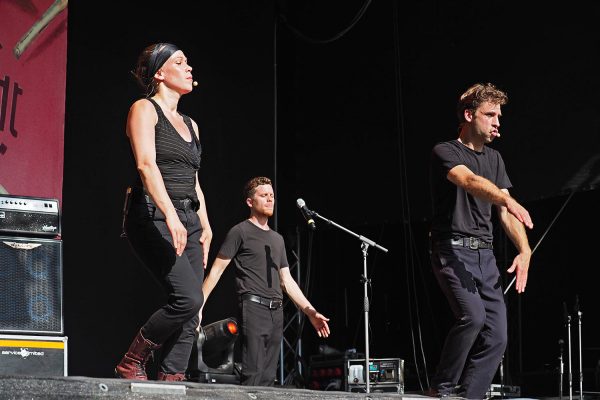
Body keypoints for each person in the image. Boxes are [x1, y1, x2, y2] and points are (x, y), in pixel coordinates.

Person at [428, 83, 533, 398]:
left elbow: (505, 215)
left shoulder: (495, 160)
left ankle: (471, 395)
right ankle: (442, 389)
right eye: (490, 115)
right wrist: (505, 199)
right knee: (472, 317)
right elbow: (468, 180)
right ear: (468, 115)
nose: (497, 122)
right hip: (451, 250)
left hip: (485, 256)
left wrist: (525, 250)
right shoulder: (446, 151)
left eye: (499, 115)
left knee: (498, 336)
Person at [115, 43, 212, 381]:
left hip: (189, 218)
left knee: (193, 312)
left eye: (188, 62)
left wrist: (206, 225)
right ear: (159, 73)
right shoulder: (144, 109)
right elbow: (146, 165)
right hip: (152, 215)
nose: (189, 68)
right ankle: (132, 361)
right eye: (179, 62)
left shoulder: (191, 124)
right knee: (186, 298)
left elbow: (193, 179)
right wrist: (170, 214)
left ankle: (172, 379)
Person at [200, 176, 330, 386]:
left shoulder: (277, 240)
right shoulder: (240, 231)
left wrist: (310, 311)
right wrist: (199, 305)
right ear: (250, 202)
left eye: (272, 195)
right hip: (253, 307)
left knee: (269, 378)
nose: (270, 199)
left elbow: (287, 281)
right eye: (264, 195)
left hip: (276, 312)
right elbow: (216, 271)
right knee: (253, 373)